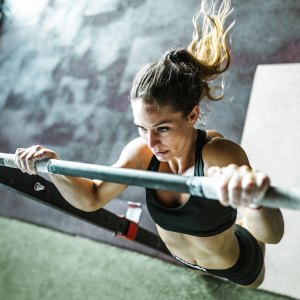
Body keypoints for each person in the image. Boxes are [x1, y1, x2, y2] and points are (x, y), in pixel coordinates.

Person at [14, 0, 284, 288]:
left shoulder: (219, 154)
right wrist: (53, 168)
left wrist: (255, 201)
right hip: (188, 261)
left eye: (162, 128)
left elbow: (273, 234)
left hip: (239, 266)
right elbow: (91, 198)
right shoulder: (142, 152)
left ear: (192, 115)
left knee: (247, 234)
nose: (151, 142)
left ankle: (240, 219)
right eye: (141, 128)